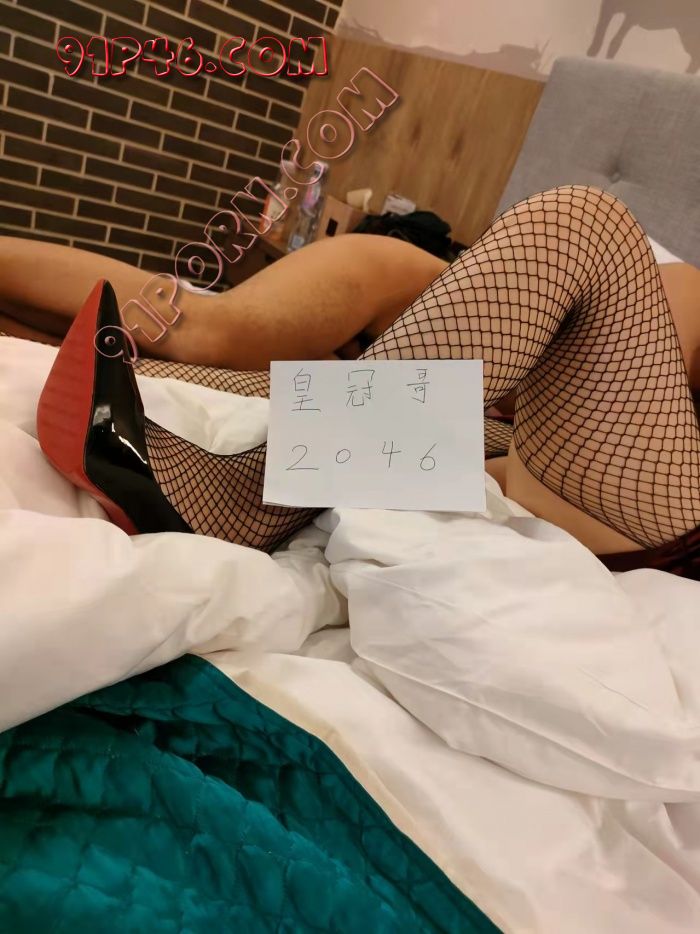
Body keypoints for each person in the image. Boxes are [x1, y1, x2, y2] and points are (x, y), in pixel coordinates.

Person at [2, 186, 699, 577]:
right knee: (228, 360)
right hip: (531, 436)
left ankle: (246, 496)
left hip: (656, 513)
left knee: (584, 224)